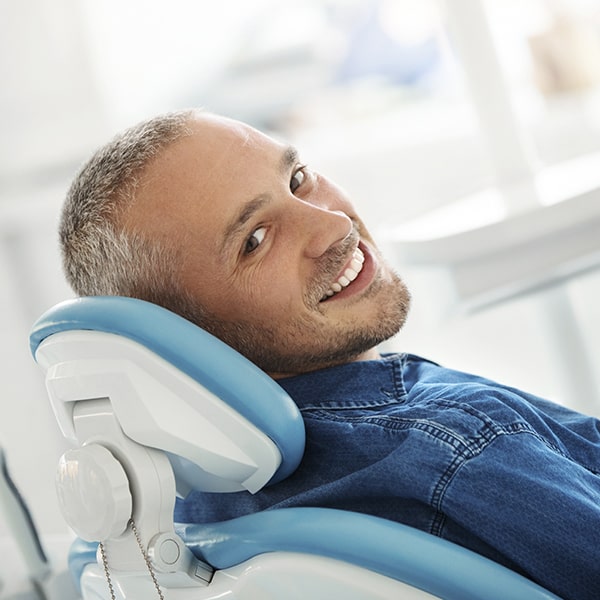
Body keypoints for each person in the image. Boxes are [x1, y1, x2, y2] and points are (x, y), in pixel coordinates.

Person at [60, 109, 600, 600]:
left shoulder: (170, 524)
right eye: (254, 240)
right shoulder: (460, 447)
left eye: (297, 179)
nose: (335, 225)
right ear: (186, 338)